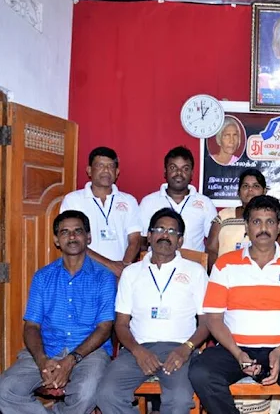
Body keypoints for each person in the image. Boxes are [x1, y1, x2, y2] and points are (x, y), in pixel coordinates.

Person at [189, 195, 280, 414]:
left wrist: (279, 352)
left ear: (279, 227)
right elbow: (214, 319)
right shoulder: (225, 264)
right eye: (256, 222)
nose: (263, 228)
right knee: (201, 373)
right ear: (246, 227)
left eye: (270, 222)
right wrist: (238, 354)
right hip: (235, 348)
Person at [0, 210, 116, 414]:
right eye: (64, 232)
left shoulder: (104, 278)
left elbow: (105, 328)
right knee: (5, 390)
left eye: (78, 231)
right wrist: (42, 360)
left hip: (89, 353)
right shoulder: (43, 277)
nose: (72, 237)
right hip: (48, 349)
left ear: (88, 237)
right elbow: (31, 326)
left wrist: (71, 360)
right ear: (56, 240)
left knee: (87, 392)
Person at [97, 208, 209, 414]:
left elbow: (206, 323)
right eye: (159, 229)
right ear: (148, 236)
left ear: (180, 241)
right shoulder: (131, 273)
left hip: (179, 349)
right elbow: (121, 324)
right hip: (137, 348)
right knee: (106, 394)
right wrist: (138, 351)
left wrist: (186, 349)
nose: (165, 235)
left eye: (172, 231)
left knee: (179, 400)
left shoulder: (196, 272)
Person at [60, 146, 142, 277]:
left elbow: (135, 239)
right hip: (85, 273)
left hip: (120, 274)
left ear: (117, 172)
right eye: (100, 165)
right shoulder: (73, 200)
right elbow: (73, 240)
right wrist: (110, 265)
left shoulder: (129, 200)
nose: (106, 170)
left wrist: (124, 268)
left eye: (111, 166)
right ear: (89, 170)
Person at [206, 169, 280, 270]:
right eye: (245, 186)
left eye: (256, 186)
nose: (250, 190)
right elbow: (211, 249)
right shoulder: (224, 215)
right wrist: (218, 273)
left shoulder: (277, 218)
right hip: (226, 273)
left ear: (264, 191)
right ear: (239, 192)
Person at [140, 146, 217, 252]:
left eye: (185, 169)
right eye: (173, 168)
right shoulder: (148, 202)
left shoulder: (205, 203)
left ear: (192, 173)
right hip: (158, 261)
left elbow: (213, 244)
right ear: (165, 171)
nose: (179, 173)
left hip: (193, 262)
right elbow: (142, 243)